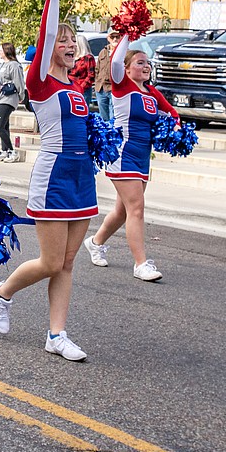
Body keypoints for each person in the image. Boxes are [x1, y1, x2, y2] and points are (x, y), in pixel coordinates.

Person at [0, 0, 96, 362]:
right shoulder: (40, 82)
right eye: (61, 40)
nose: (68, 45)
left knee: (67, 263)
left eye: (72, 41)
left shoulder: (77, 87)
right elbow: (46, 32)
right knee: (50, 262)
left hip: (83, 178)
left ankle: (56, 334)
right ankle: (1, 293)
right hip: (53, 177)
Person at [83, 38, 179, 282]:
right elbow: (115, 60)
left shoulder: (151, 92)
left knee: (123, 210)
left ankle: (95, 242)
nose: (146, 66)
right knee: (136, 208)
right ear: (126, 69)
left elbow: (172, 113)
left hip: (142, 157)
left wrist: (174, 128)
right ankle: (141, 264)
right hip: (122, 154)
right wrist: (127, 34)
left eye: (148, 63)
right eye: (139, 63)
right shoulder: (122, 86)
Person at [0, 41, 26, 162]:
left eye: (1, 49)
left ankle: (12, 151)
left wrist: (21, 95)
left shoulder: (14, 65)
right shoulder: (2, 65)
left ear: (6, 51)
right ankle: (4, 150)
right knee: (4, 127)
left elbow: (19, 82)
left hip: (7, 99)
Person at [93, 30, 121, 121]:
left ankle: (114, 134)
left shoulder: (123, 52)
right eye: (112, 37)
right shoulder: (103, 52)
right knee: (103, 117)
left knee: (114, 116)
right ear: (108, 38)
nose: (115, 39)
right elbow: (97, 69)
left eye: (117, 36)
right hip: (101, 88)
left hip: (114, 88)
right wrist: (97, 82)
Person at [69, 33, 96, 109]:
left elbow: (91, 76)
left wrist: (80, 87)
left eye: (74, 42)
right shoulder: (71, 57)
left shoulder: (88, 58)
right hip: (70, 88)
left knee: (81, 111)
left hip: (83, 90)